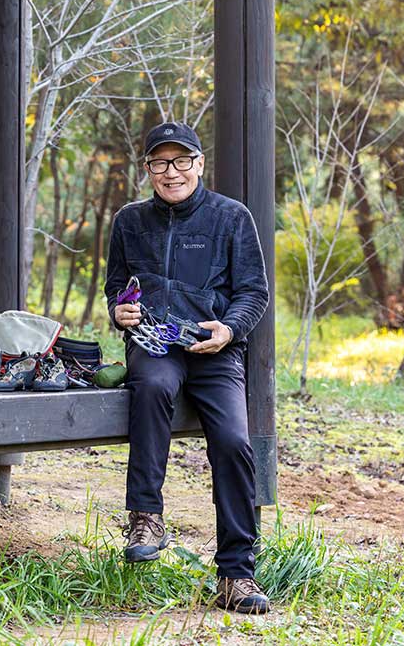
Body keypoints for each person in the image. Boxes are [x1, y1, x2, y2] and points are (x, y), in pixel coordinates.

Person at [104, 120, 270, 614]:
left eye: (180, 161)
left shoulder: (231, 217)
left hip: (214, 350)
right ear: (148, 169)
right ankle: (145, 518)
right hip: (155, 344)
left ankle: (236, 574)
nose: (170, 172)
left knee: (234, 442)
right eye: (159, 162)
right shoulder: (129, 221)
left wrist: (229, 329)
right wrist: (119, 310)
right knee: (152, 387)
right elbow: (116, 286)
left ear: (199, 164)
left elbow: (253, 293)